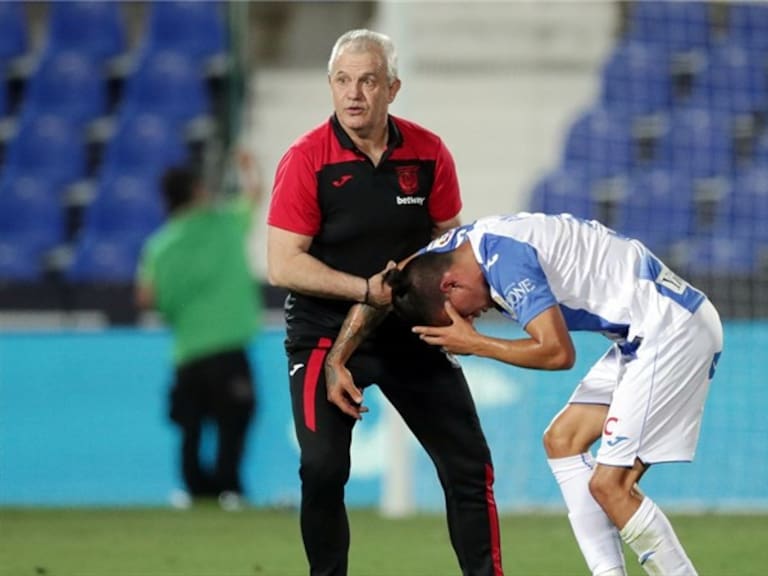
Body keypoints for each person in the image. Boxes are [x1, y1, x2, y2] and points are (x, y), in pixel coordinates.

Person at [266, 28, 504, 576]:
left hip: (410, 332)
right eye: (343, 81)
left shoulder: (428, 153)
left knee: (469, 465)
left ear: (392, 88)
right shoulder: (306, 160)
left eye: (368, 81)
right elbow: (284, 264)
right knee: (322, 469)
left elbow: (453, 242)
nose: (354, 94)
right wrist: (364, 291)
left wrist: (461, 311)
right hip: (324, 333)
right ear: (330, 86)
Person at [381, 212, 723, 576]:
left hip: (670, 332)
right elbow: (390, 280)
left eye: (461, 315)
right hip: (646, 330)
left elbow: (559, 353)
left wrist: (476, 344)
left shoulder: (507, 263)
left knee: (612, 486)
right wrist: (339, 356)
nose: (473, 319)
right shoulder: (454, 248)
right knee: (562, 440)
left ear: (450, 286)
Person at [136, 160, 263, 509]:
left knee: (191, 425)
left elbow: (146, 296)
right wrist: (249, 168)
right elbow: (253, 196)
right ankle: (229, 489)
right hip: (228, 348)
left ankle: (194, 491)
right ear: (195, 192)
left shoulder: (159, 245)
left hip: (188, 351)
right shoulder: (222, 225)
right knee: (234, 420)